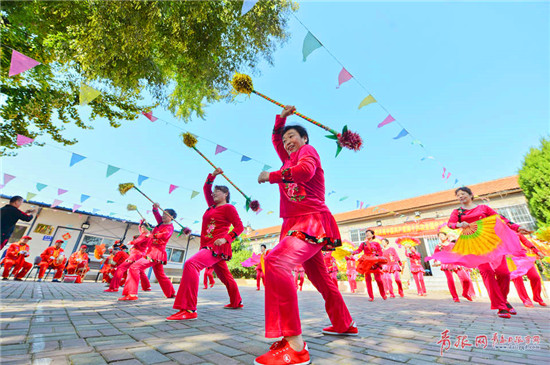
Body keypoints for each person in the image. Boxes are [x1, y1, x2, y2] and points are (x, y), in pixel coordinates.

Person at [254, 105, 356, 365]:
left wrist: (272, 176)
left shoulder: (307, 152)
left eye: (293, 137)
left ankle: (295, 345)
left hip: (310, 222)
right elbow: (276, 139)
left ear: (304, 139)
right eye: (286, 139)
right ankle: (344, 324)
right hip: (294, 224)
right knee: (322, 280)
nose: (288, 142)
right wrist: (282, 119)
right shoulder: (287, 157)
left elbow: (306, 171)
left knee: (275, 262)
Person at [167, 168, 244, 320]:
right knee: (225, 276)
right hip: (207, 245)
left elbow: (239, 227)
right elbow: (206, 188)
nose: (214, 194)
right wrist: (212, 176)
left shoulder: (228, 208)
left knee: (191, 264)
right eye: (214, 192)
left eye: (217, 192)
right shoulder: (212, 206)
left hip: (217, 245)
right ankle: (236, 301)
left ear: (226, 194)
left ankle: (188, 310)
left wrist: (226, 239)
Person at [444, 186, 531, 318]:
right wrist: (459, 225)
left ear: (470, 194)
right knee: (487, 272)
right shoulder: (458, 212)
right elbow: (450, 224)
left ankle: (503, 301)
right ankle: (501, 307)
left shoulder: (483, 208)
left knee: (504, 273)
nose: (460, 196)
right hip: (474, 245)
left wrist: (517, 227)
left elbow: (501, 219)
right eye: (458, 195)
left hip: (492, 242)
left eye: (463, 194)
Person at [119, 204, 177, 301]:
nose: (162, 216)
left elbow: (164, 235)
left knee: (134, 267)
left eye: (165, 215)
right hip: (155, 253)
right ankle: (170, 293)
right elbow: (156, 215)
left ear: (171, 217)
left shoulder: (169, 227)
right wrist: (155, 208)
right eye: (162, 214)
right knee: (160, 275)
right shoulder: (161, 223)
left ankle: (132, 294)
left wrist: (151, 235)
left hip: (155, 253)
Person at [106, 222, 152, 292]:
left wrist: (131, 242)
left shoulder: (144, 235)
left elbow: (137, 240)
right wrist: (141, 224)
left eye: (143, 227)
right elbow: (141, 233)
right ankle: (147, 287)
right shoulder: (148, 235)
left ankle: (114, 287)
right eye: (141, 227)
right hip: (140, 255)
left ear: (147, 228)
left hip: (135, 255)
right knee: (141, 271)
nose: (142, 229)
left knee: (120, 268)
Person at [430, 232, 473, 302]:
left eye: (442, 235)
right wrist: (436, 261)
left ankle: (465, 293)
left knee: (466, 279)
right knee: (450, 281)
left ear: (446, 236)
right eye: (439, 236)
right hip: (446, 264)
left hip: (455, 263)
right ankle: (455, 297)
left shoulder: (453, 244)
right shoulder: (439, 246)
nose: (441, 237)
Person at [509, 234, 546, 307]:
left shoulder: (515, 231)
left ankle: (537, 298)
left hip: (523, 257)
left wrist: (537, 251)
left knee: (535, 277)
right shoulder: (498, 233)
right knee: (517, 279)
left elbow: (526, 242)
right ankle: (526, 300)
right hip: (511, 258)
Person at [352, 230, 386, 301]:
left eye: (368, 233)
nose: (367, 235)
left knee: (378, 279)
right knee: (368, 279)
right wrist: (353, 252)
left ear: (372, 235)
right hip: (367, 262)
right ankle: (371, 296)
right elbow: (359, 250)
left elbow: (380, 252)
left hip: (375, 262)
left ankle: (383, 294)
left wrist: (377, 258)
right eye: (366, 234)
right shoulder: (363, 244)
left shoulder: (376, 243)